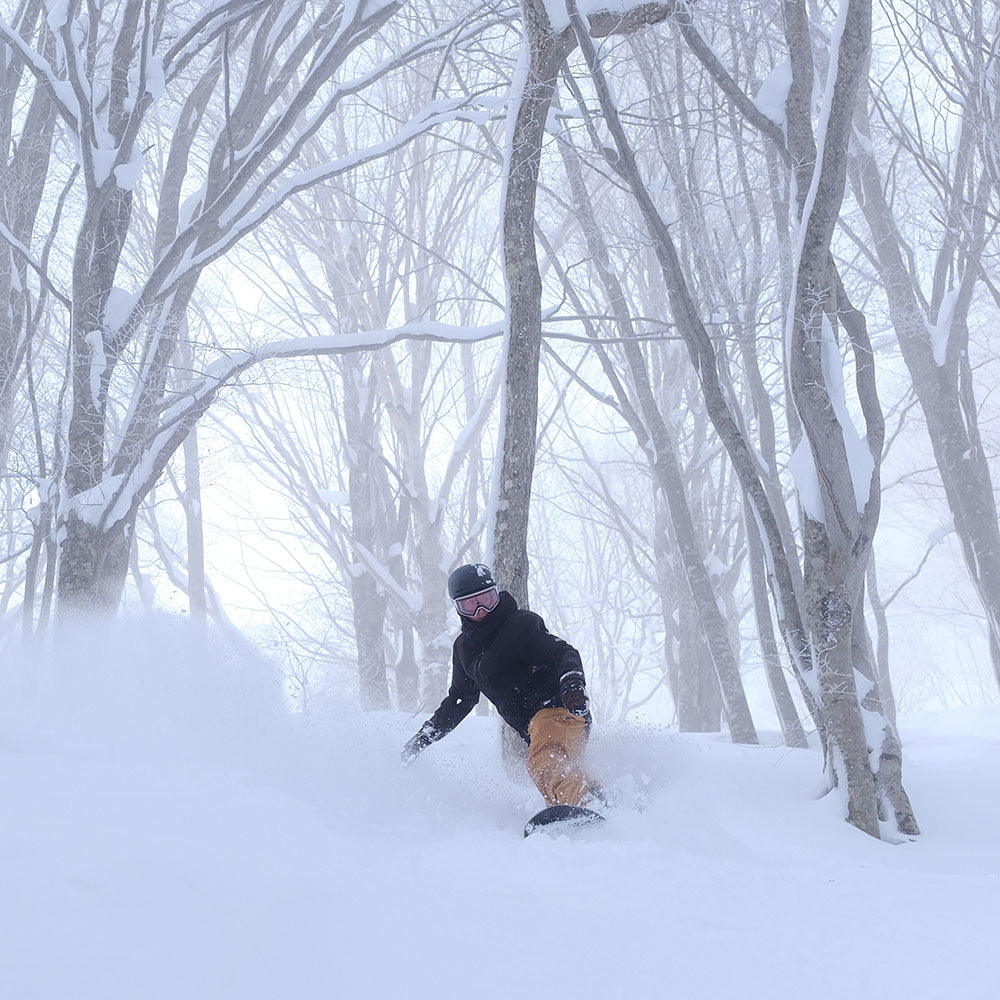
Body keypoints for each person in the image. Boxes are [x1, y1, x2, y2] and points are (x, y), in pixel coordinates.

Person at [402, 563, 601, 810]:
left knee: (545, 762)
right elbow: (460, 699)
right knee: (550, 769)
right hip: (535, 730)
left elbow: (563, 653)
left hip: (559, 710)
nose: (482, 610)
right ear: (458, 608)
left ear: (497, 594)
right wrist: (425, 736)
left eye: (487, 599)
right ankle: (584, 814)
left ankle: (590, 803)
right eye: (471, 604)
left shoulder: (521, 626)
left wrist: (572, 685)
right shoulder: (464, 649)